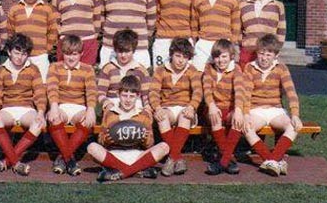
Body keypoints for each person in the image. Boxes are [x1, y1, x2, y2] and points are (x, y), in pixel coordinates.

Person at [238, 34, 302, 176]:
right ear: (257, 53)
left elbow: (291, 93)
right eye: (261, 53)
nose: (264, 58)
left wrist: (295, 115)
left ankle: (272, 160)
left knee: (294, 126)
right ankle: (273, 160)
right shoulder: (250, 67)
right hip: (256, 110)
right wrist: (246, 114)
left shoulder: (281, 68)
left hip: (276, 110)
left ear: (275, 55)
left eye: (268, 55)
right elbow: (245, 94)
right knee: (247, 128)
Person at [87, 75, 169, 182]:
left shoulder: (143, 114)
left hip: (137, 155)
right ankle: (136, 170)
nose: (128, 100)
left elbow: (150, 144)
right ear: (118, 94)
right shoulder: (110, 113)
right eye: (124, 95)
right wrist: (107, 139)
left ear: (138, 96)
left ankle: (121, 172)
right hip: (115, 154)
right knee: (92, 147)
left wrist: (145, 138)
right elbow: (101, 140)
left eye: (132, 96)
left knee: (164, 147)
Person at [0, 34, 47, 176]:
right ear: (9, 52)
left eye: (24, 54)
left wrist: (40, 113)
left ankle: (5, 162)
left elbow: (39, 94)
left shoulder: (33, 69)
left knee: (38, 123)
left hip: (27, 109)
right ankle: (16, 163)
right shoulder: (0, 69)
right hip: (7, 108)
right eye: (17, 53)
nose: (20, 57)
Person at [46, 35, 98, 176]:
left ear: (81, 54)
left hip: (78, 107)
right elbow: (52, 88)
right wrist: (54, 107)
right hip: (60, 105)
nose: (71, 58)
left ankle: (63, 158)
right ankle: (71, 161)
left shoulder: (87, 69)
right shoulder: (55, 67)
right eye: (67, 54)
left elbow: (91, 91)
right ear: (62, 53)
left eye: (74, 54)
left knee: (87, 120)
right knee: (54, 118)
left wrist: (91, 109)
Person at [149, 38, 202, 176]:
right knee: (162, 117)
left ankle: (171, 158)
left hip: (185, 107)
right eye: (178, 56)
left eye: (185, 57)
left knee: (185, 116)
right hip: (167, 107)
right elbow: (153, 92)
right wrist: (157, 108)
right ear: (171, 54)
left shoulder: (192, 70)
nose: (181, 60)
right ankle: (177, 158)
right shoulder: (161, 70)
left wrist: (192, 106)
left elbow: (198, 92)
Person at [201, 39, 245, 175]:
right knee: (215, 118)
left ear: (231, 56)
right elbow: (207, 90)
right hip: (213, 108)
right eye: (217, 57)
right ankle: (229, 160)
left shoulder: (236, 69)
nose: (220, 60)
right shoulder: (209, 68)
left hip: (229, 108)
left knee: (238, 120)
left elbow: (239, 91)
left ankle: (223, 162)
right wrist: (211, 105)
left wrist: (238, 110)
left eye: (224, 56)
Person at [7, 0, 59, 82]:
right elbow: (10, 31)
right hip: (20, 56)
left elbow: (53, 31)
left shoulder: (47, 9)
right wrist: (15, 51)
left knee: (42, 83)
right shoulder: (14, 9)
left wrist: (46, 49)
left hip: (40, 56)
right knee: (20, 83)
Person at [192, 0, 241, 71]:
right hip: (203, 43)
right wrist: (195, 42)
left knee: (224, 77)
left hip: (224, 44)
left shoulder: (232, 0)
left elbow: (236, 26)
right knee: (199, 74)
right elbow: (194, 24)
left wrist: (231, 45)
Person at [239, 0, 286, 67]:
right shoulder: (242, 6)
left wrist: (276, 50)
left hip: (267, 55)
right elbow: (239, 31)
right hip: (247, 54)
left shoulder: (277, 6)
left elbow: (281, 31)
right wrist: (243, 46)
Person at [97, 29, 151, 112]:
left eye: (127, 51)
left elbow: (146, 95)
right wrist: (107, 103)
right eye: (120, 51)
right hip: (113, 104)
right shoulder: (108, 68)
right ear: (115, 50)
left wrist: (147, 107)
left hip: (135, 105)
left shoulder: (141, 71)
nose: (123, 55)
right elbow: (100, 93)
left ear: (133, 50)